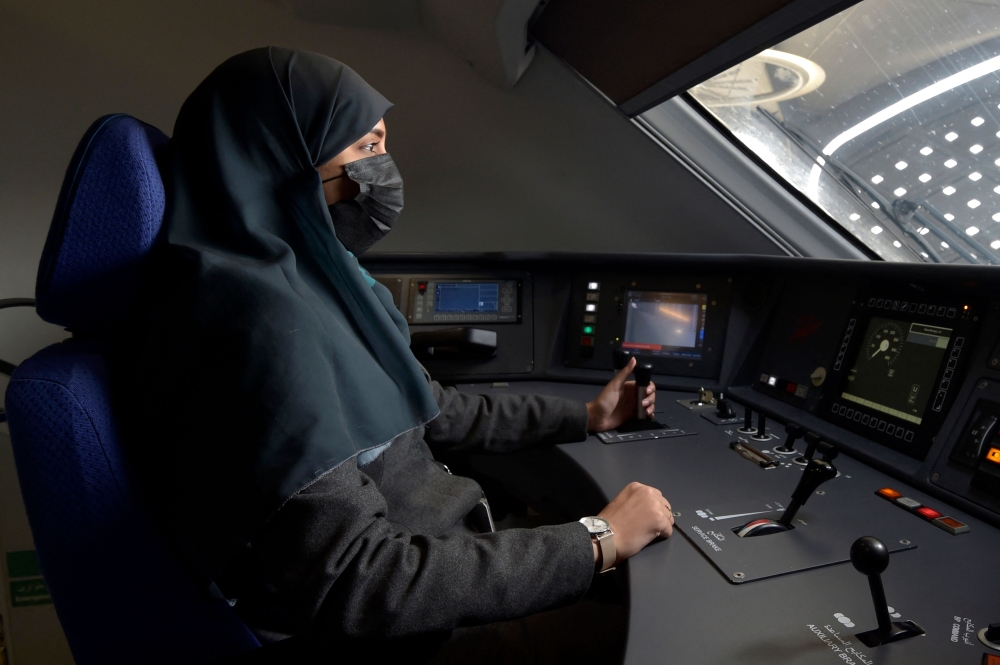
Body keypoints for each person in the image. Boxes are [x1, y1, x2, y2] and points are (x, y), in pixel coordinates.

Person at [117, 47, 673, 662]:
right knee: (657, 629)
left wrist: (588, 416)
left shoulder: (316, 286)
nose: (382, 170)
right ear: (281, 161)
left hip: (440, 553)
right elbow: (360, 584)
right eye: (366, 148)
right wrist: (598, 540)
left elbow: (436, 411)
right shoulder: (254, 328)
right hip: (407, 626)